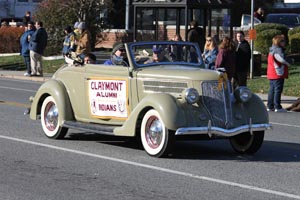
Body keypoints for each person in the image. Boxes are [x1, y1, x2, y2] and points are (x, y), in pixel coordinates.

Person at [267, 35, 290, 112]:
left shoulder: (271, 50)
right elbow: (283, 60)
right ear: (278, 42)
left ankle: (270, 106)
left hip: (271, 72)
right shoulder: (278, 50)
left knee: (272, 90)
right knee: (277, 90)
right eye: (282, 41)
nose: (284, 42)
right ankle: (278, 106)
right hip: (277, 73)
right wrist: (290, 61)